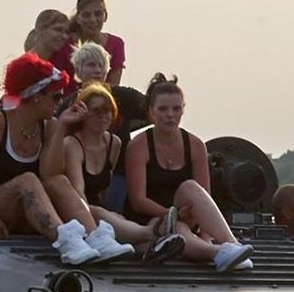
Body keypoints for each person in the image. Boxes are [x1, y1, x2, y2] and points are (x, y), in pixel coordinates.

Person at [0, 54, 131, 266]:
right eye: (55, 97)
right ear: (36, 96)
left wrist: (62, 128)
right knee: (27, 179)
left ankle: (95, 236)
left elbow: (51, 174)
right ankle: (65, 239)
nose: (59, 102)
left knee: (58, 181)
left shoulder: (49, 126)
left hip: (26, 209)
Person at [41, 82, 186, 263]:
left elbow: (104, 188)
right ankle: (155, 231)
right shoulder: (72, 144)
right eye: (96, 110)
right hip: (75, 211)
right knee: (99, 213)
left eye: (108, 110)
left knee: (115, 219)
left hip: (98, 212)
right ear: (83, 113)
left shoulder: (114, 143)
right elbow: (78, 191)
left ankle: (153, 247)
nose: (103, 116)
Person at [121, 74, 253, 271]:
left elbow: (204, 197)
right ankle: (217, 254)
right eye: (163, 109)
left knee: (190, 187)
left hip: (186, 213)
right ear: (151, 111)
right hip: (150, 219)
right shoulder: (139, 146)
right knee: (176, 229)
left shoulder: (195, 145)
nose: (170, 115)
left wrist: (204, 233)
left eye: (176, 109)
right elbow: (138, 201)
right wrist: (171, 215)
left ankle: (232, 245)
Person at [69, 0, 127, 86]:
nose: (93, 20)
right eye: (86, 15)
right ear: (78, 18)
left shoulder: (116, 44)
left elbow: (114, 86)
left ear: (105, 16)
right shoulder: (64, 43)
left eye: (98, 14)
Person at [25, 8, 74, 73]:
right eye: (58, 30)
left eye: (66, 32)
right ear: (41, 30)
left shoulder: (59, 67)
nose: (64, 36)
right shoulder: (24, 65)